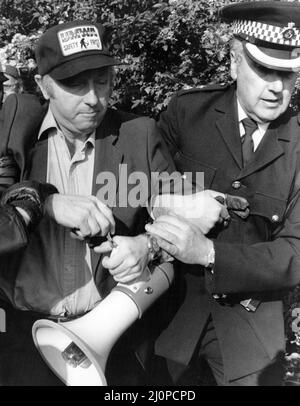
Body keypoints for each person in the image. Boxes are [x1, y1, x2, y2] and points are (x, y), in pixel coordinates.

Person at [0, 20, 228, 386]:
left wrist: (148, 246)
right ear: (44, 86)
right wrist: (47, 204)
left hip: (115, 346)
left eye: (102, 81)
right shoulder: (13, 132)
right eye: (75, 84)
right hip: (18, 343)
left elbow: (187, 217)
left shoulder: (140, 134)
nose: (93, 98)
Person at [146, 1, 300, 386]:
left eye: (289, 74)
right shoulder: (188, 112)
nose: (277, 87)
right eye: (265, 69)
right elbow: (137, 179)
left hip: (251, 339)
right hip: (169, 317)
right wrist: (166, 203)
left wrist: (210, 253)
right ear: (234, 63)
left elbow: (296, 252)